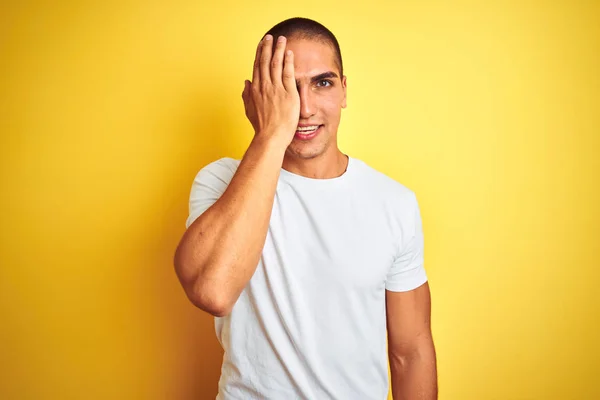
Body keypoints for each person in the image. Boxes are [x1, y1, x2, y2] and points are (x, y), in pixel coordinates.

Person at [174, 17, 438, 400]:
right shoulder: (221, 182)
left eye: (323, 83)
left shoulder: (393, 202)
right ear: (258, 96)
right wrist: (270, 135)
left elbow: (410, 353)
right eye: (286, 88)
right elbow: (213, 290)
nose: (305, 108)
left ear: (344, 90)